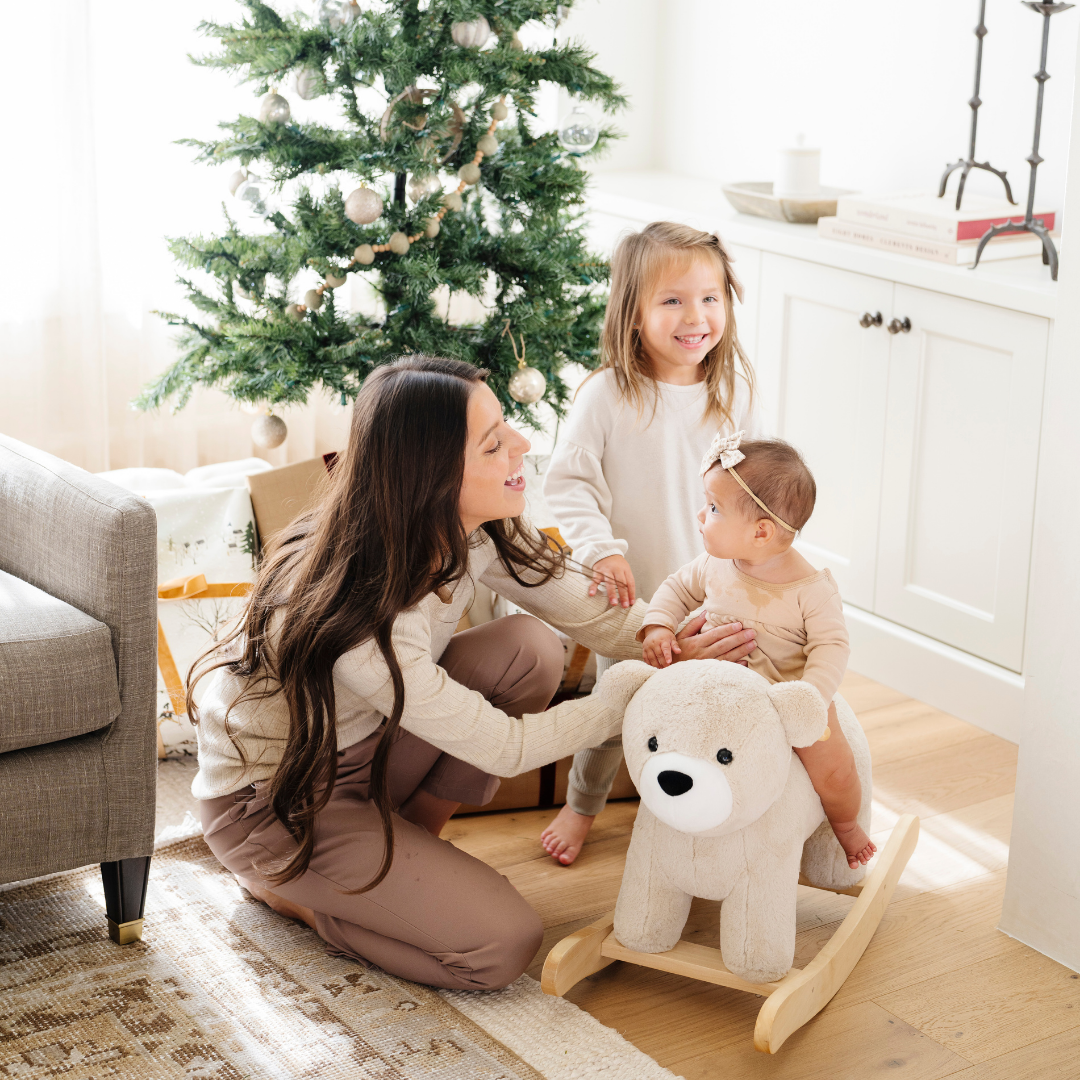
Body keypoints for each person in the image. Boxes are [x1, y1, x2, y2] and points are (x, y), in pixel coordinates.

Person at [188, 354, 758, 992]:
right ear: (429, 474)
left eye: (507, 426)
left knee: (528, 647)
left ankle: (411, 843)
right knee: (499, 946)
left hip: (371, 747)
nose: (522, 445)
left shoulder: (466, 531)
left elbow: (591, 615)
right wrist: (625, 693)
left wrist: (671, 642)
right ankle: (300, 898)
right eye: (494, 444)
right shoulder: (362, 612)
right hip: (278, 802)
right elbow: (505, 748)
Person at [540, 221, 760, 865]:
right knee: (619, 705)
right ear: (632, 313)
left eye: (710, 298)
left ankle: (719, 804)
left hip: (717, 589)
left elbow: (757, 488)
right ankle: (582, 806)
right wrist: (601, 548)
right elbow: (571, 482)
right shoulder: (608, 395)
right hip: (634, 594)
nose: (696, 316)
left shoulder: (734, 394)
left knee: (723, 700)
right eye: (672, 300)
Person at [640, 432, 877, 869]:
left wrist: (812, 695)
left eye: (713, 508)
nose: (700, 514)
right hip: (716, 683)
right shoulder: (714, 565)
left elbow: (832, 645)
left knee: (834, 765)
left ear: (761, 532)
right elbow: (675, 588)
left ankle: (846, 827)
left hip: (786, 694)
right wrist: (657, 626)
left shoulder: (812, 589)